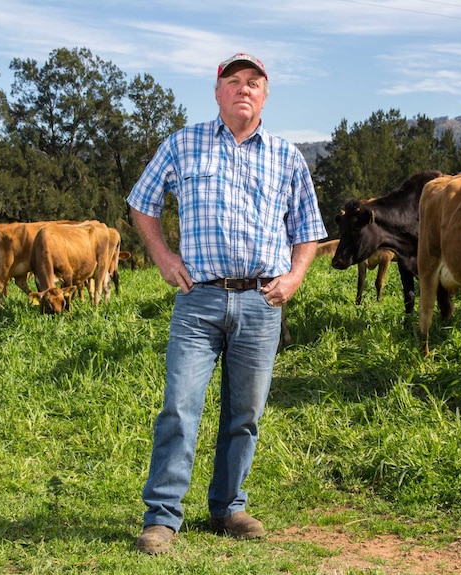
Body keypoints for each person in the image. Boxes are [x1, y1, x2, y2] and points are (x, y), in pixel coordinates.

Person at [126, 52, 327, 554]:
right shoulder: (182, 144)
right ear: (217, 93)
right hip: (199, 299)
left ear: (265, 94)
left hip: (261, 302)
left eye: (253, 82)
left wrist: (295, 277)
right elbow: (141, 201)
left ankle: (228, 508)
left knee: (245, 412)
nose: (243, 88)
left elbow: (308, 230)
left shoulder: (287, 156)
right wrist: (163, 257)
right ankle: (163, 517)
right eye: (233, 81)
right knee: (180, 405)